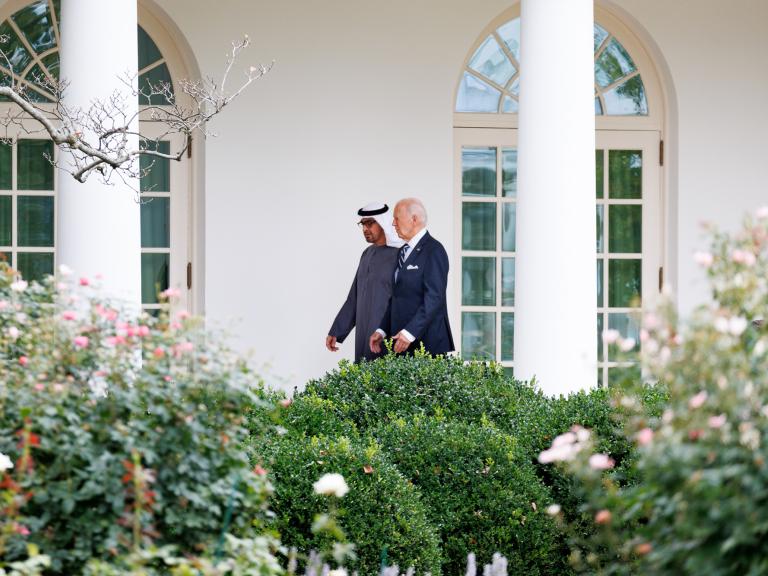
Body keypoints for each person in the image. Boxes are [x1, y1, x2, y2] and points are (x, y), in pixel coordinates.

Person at [369, 198, 454, 356]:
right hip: (400, 341)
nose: (393, 224)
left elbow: (434, 297)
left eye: (397, 219)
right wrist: (381, 330)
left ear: (413, 219)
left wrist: (410, 332)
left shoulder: (434, 250)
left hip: (426, 344)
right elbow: (397, 297)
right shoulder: (402, 251)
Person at [326, 202, 403, 362]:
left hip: (387, 335)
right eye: (363, 224)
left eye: (370, 223)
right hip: (363, 333)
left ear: (383, 223)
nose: (365, 229)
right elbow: (354, 298)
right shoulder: (366, 254)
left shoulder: (401, 254)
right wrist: (337, 331)